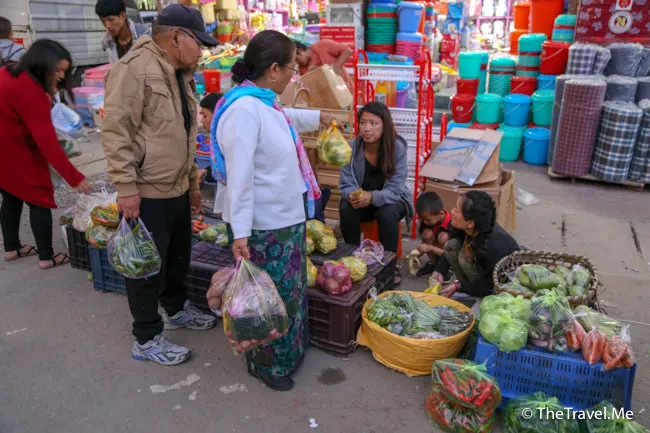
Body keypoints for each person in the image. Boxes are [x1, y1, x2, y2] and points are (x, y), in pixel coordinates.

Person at [212, 30, 331, 391]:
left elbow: (284, 118)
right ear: (274, 69)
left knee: (289, 293)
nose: (294, 76)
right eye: (292, 68)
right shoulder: (243, 111)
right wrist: (241, 233)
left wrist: (321, 117)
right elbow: (240, 178)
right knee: (265, 301)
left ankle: (291, 352)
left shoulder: (264, 103)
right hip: (262, 228)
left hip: (286, 220)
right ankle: (268, 364)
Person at [101, 4, 219, 366]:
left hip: (177, 185)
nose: (202, 52)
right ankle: (147, 337)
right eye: (200, 43)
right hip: (146, 189)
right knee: (145, 268)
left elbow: (183, 130)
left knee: (177, 257)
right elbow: (116, 131)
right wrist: (126, 188)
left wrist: (193, 183)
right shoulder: (134, 69)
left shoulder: (180, 71)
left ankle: (176, 309)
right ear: (177, 37)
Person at [0, 40, 92, 268]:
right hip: (16, 149)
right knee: (39, 198)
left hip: (4, 148)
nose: (61, 76)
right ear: (42, 65)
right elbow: (47, 142)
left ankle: (12, 248)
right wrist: (74, 177)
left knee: (11, 195)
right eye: (57, 70)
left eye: (64, 71)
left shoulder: (8, 71)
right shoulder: (31, 91)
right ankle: (46, 257)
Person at [339, 101, 414, 256]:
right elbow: (346, 184)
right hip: (363, 202)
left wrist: (371, 197)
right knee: (346, 207)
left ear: (384, 125)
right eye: (363, 123)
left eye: (373, 123)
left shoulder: (397, 148)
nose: (367, 129)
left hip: (392, 200)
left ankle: (389, 262)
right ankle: (351, 257)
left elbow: (394, 191)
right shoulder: (351, 148)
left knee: (386, 213)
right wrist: (353, 195)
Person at [431, 191, 519, 300]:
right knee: (452, 245)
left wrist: (459, 286)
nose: (452, 211)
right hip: (482, 274)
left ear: (470, 223)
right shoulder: (466, 227)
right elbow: (449, 248)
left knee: (463, 257)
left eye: (457, 210)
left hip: (500, 284)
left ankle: (470, 292)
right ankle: (466, 288)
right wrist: (439, 271)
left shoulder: (493, 247)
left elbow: (489, 285)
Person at [414, 191, 451, 278]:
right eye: (422, 219)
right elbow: (425, 241)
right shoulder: (426, 221)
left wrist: (430, 248)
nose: (425, 222)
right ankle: (433, 264)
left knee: (443, 237)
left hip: (450, 256)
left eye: (428, 219)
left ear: (440, 213)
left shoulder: (452, 224)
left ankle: (446, 268)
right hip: (436, 250)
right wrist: (417, 254)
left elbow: (452, 253)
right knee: (426, 233)